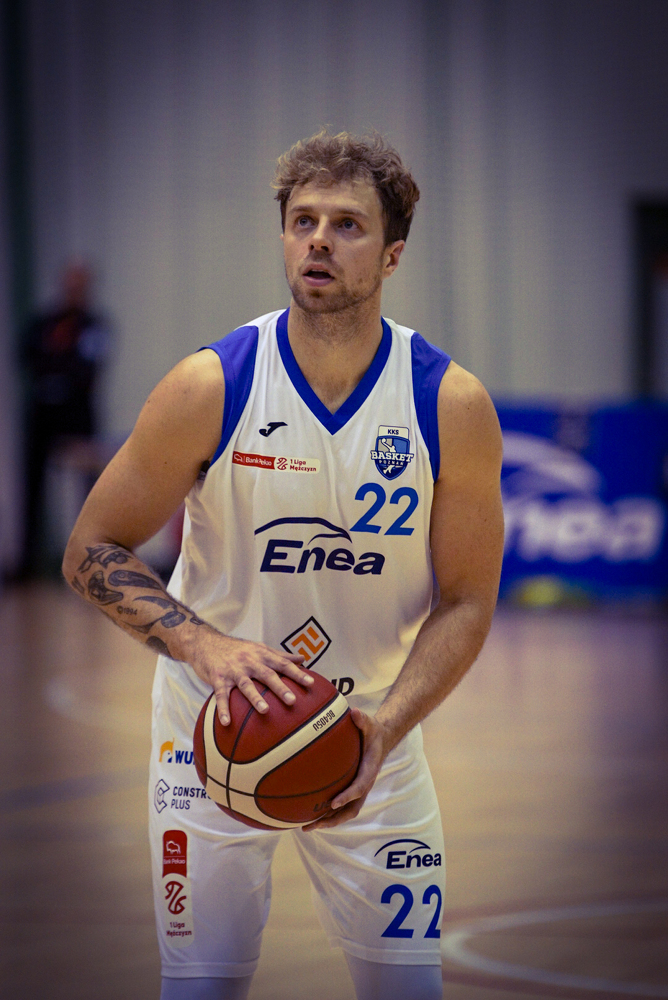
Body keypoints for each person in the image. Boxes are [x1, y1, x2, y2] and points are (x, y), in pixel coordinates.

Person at [62, 129, 504, 1000]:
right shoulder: (210, 386)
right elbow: (90, 550)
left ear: (393, 255)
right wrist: (205, 647)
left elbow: (466, 600)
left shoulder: (448, 404)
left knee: (409, 991)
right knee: (201, 989)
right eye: (303, 221)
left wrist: (384, 730)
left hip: (374, 735)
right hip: (208, 738)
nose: (318, 241)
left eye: (347, 225)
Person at [19, 260, 110, 579]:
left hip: (78, 414)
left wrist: (59, 366)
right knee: (32, 487)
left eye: (80, 284)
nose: (74, 290)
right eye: (70, 283)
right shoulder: (44, 322)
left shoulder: (95, 325)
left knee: (89, 488)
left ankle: (90, 559)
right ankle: (29, 563)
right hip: (42, 412)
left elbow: (89, 367)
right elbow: (26, 356)